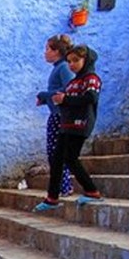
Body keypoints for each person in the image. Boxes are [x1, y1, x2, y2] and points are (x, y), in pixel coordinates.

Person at [33, 45, 104, 212]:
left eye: (76, 60)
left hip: (80, 124)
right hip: (66, 124)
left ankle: (92, 190)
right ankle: (52, 197)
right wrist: (50, 99)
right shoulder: (74, 82)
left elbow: (90, 97)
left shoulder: (91, 79)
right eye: (70, 61)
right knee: (57, 159)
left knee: (70, 158)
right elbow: (64, 97)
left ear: (86, 60)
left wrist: (66, 99)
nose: (72, 64)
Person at [36, 34, 75, 196]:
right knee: (53, 151)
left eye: (47, 49)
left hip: (62, 116)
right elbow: (58, 93)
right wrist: (46, 100)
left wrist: (45, 95)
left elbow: (69, 89)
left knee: (57, 151)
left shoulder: (64, 67)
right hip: (56, 114)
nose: (45, 53)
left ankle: (64, 186)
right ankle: (61, 185)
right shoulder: (58, 68)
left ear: (57, 51)